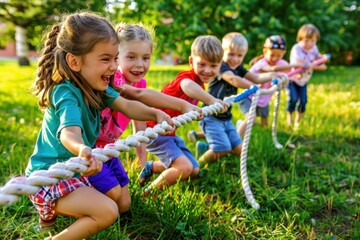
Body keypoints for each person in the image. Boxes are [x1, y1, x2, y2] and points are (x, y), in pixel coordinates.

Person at [25, 12, 173, 240]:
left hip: (76, 169)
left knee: (122, 204)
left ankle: (49, 217)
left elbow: (127, 106)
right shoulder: (65, 93)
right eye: (105, 59)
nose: (114, 67)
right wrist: (82, 149)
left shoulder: (98, 88)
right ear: (75, 62)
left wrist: (155, 112)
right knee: (107, 212)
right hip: (51, 175)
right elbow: (69, 132)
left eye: (115, 58)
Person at [88, 22, 201, 214]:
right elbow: (139, 96)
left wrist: (141, 161)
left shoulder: (140, 82)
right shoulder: (112, 78)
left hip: (104, 149)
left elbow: (139, 129)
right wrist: (181, 104)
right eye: (131, 57)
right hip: (86, 148)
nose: (140, 64)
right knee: (112, 198)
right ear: (116, 57)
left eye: (146, 58)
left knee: (124, 204)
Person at [144, 35, 227, 196]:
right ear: (191, 62)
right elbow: (187, 86)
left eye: (213, 65)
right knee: (184, 168)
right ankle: (147, 194)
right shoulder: (187, 77)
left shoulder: (200, 85)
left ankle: (151, 167)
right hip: (155, 132)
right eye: (202, 64)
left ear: (220, 65)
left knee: (194, 170)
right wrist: (210, 100)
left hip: (170, 135)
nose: (207, 70)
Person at [197, 32, 283, 165]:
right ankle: (198, 166)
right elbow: (233, 79)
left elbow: (257, 78)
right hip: (211, 117)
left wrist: (274, 75)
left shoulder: (239, 68)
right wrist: (254, 87)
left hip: (226, 117)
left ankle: (206, 147)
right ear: (222, 53)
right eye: (231, 54)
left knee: (239, 150)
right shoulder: (220, 66)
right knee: (223, 148)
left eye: (239, 55)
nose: (235, 59)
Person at [237, 35, 303, 138]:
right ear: (265, 52)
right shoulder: (261, 63)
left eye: (279, 56)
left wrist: (299, 72)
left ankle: (263, 138)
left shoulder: (282, 63)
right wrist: (294, 66)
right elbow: (272, 69)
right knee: (251, 120)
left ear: (283, 54)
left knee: (265, 124)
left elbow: (294, 74)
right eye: (272, 55)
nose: (275, 58)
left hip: (263, 98)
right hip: (248, 96)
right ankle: (236, 140)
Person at [287, 23, 327, 130]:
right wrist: (309, 65)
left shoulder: (314, 48)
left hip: (304, 80)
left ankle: (297, 122)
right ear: (300, 39)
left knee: (303, 101)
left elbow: (318, 58)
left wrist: (322, 58)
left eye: (313, 41)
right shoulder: (296, 48)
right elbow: (298, 62)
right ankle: (289, 116)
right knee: (293, 99)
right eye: (306, 40)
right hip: (293, 79)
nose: (309, 44)